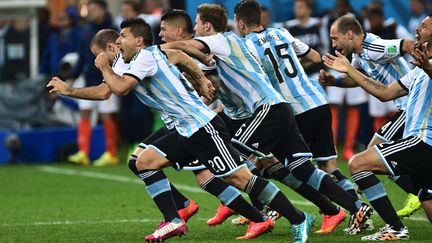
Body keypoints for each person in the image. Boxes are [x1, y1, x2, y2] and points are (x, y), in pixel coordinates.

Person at [163, 2, 373, 237]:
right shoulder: (276, 33)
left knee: (236, 158)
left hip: (269, 109)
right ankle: (355, 206)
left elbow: (187, 47)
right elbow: (312, 56)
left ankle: (269, 212)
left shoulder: (223, 40)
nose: (195, 28)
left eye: (197, 23)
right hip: (292, 104)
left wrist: (160, 50)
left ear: (209, 26)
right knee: (302, 169)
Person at [234, 0, 362, 234]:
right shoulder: (281, 32)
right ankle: (357, 210)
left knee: (280, 164)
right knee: (325, 164)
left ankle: (349, 208)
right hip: (317, 98)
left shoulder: (247, 46)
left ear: (240, 22)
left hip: (294, 108)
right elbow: (313, 56)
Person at [321, 13, 432, 240]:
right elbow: (383, 91)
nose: (417, 29)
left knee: (361, 163)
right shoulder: (414, 70)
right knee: (425, 193)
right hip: (412, 126)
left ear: (350, 34)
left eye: (424, 25)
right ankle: (412, 192)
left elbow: (404, 45)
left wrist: (426, 63)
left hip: (418, 131)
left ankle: (387, 222)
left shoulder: (376, 47)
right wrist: (340, 80)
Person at [68, 0, 118, 167]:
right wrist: (73, 75)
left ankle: (111, 154)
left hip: (109, 78)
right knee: (85, 112)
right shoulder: (86, 30)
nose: (91, 12)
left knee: (106, 115)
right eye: (89, 9)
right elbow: (82, 56)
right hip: (88, 78)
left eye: (94, 9)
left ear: (103, 9)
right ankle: (83, 152)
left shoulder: (113, 29)